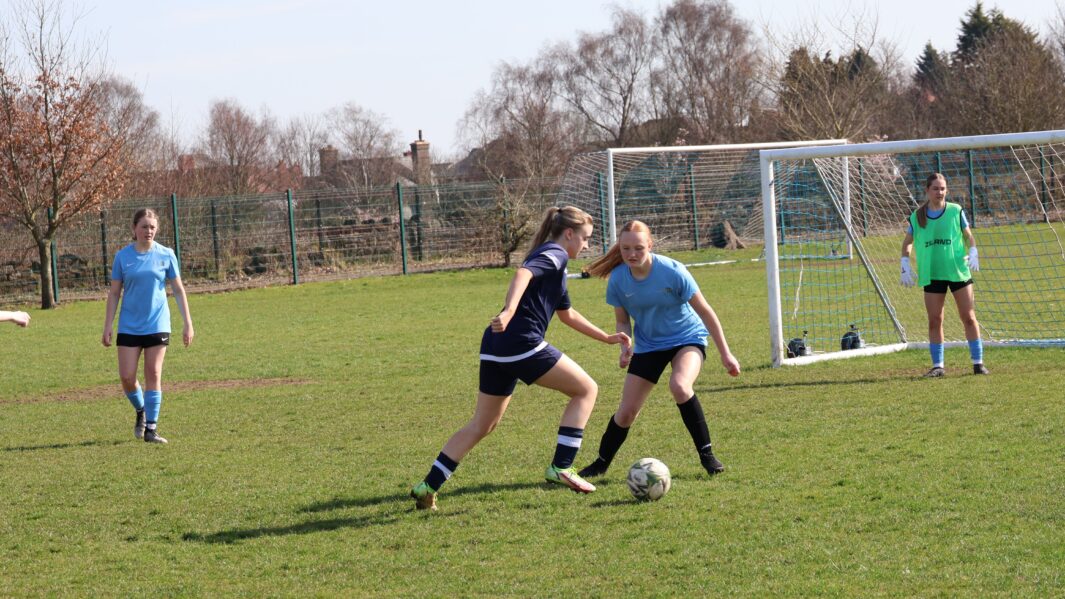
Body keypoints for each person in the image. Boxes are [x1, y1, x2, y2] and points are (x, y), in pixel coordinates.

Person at [410, 206, 632, 511]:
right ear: (569, 234)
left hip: (495, 346)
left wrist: (606, 337)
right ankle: (562, 466)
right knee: (586, 389)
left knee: (482, 424)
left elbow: (566, 314)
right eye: (585, 238)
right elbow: (522, 273)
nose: (587, 245)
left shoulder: (552, 260)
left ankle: (428, 486)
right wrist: (509, 310)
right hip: (522, 344)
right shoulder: (555, 253)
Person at [577, 220, 740, 480]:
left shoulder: (673, 271)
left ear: (650, 245)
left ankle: (707, 455)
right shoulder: (618, 279)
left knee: (680, 387)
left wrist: (726, 353)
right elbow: (622, 320)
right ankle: (601, 462)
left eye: (639, 248)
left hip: (687, 338)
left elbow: (706, 312)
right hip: (649, 345)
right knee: (627, 411)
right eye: (626, 248)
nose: (631, 254)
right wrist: (625, 343)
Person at [102, 208, 194, 444]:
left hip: (157, 323)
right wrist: (108, 325)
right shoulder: (123, 257)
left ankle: (151, 429)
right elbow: (114, 293)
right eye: (144, 226)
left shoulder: (166, 254)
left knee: (153, 373)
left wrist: (188, 323)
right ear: (134, 229)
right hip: (129, 325)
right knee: (126, 377)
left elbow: (178, 290)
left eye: (152, 227)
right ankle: (141, 410)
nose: (148, 231)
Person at [900, 173, 988, 377]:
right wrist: (905, 262)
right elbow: (907, 243)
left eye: (942, 188)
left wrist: (973, 251)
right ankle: (937, 366)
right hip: (932, 273)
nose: (939, 192)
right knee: (935, 319)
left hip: (958, 270)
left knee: (968, 316)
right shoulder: (917, 216)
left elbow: (969, 237)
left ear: (946, 190)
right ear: (927, 191)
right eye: (935, 188)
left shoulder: (956, 211)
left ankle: (978, 363)